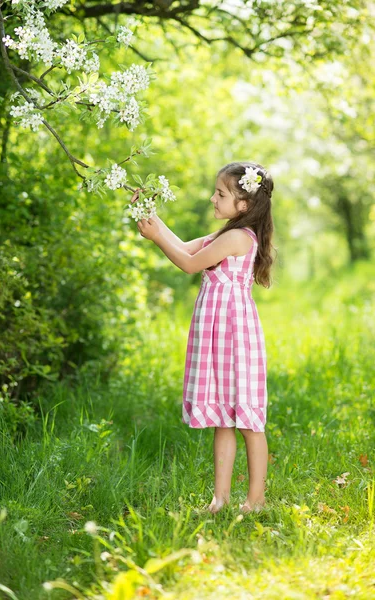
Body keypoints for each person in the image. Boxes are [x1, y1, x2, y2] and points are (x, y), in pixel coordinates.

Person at [135, 161, 276, 515]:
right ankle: (221, 499)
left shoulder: (237, 238)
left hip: (233, 334)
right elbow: (183, 246)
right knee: (223, 418)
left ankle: (255, 500)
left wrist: (154, 237)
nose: (212, 198)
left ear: (243, 205)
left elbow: (187, 262)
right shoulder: (224, 235)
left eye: (221, 193)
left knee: (247, 420)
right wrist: (152, 218)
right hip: (218, 333)